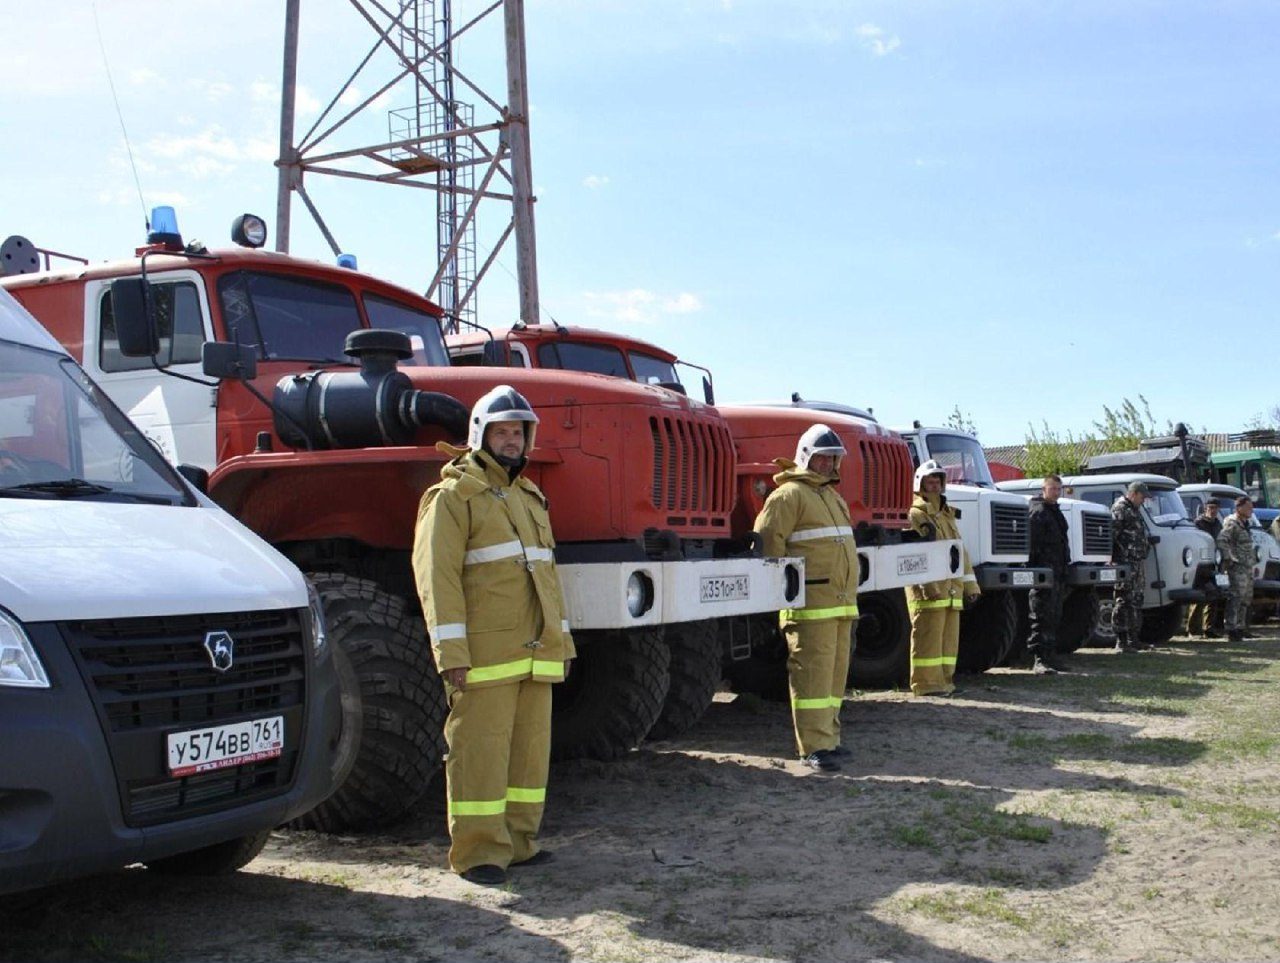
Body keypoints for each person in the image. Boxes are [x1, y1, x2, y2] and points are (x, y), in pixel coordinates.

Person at [412, 385, 575, 886]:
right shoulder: (452, 497)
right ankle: (479, 853)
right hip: (483, 655)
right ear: (480, 435)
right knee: (479, 752)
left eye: (518, 432)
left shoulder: (530, 496)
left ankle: (519, 843)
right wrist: (451, 653)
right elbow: (435, 580)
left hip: (536, 653)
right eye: (501, 431)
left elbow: (547, 576)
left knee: (528, 755)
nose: (511, 440)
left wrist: (562, 643)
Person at [753, 424, 860, 773]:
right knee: (812, 678)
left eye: (832, 458)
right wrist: (777, 598)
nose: (828, 463)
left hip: (840, 604)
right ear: (806, 458)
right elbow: (769, 546)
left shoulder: (832, 496)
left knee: (832, 679)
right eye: (822, 457)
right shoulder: (787, 496)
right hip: (810, 607)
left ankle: (829, 740)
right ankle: (813, 747)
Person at [904, 460, 980, 696]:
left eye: (938, 481)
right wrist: (928, 586)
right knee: (927, 640)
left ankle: (945, 682)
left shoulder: (946, 514)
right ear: (920, 483)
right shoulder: (915, 515)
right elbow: (913, 556)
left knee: (947, 643)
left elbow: (960, 552)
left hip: (951, 590)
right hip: (929, 591)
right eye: (930, 481)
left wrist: (971, 586)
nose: (935, 485)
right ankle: (926, 685)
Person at [1026, 474, 1070, 674]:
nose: (1056, 492)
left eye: (1059, 489)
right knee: (1041, 615)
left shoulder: (1054, 511)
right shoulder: (1038, 511)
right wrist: (1038, 570)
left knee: (1054, 616)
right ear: (1044, 489)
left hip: (1057, 572)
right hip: (1044, 573)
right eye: (1053, 489)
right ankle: (1039, 659)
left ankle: (1050, 656)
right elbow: (1032, 545)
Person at [1110, 481, 1153, 652]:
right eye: (1142, 497)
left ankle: (1133, 639)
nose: (1143, 501)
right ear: (1134, 494)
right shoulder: (1120, 509)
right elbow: (1112, 535)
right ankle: (1121, 640)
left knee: (1136, 600)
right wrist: (1112, 559)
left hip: (1136, 562)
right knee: (1123, 600)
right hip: (1124, 563)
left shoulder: (1135, 510)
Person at [1218, 496, 1256, 642]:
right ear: (1239, 508)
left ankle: (1241, 627)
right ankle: (1231, 628)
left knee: (1246, 598)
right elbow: (1222, 540)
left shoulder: (1245, 523)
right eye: (1248, 507)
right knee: (1236, 597)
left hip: (1247, 566)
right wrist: (1229, 558)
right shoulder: (1232, 523)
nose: (1251, 510)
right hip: (1237, 567)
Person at [1185, 498, 1223, 639]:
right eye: (1210, 507)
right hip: (1200, 565)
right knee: (1198, 598)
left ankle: (1209, 628)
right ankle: (1193, 630)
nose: (1213, 511)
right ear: (1205, 508)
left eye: (1215, 508)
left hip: (1214, 563)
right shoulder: (1198, 523)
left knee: (1213, 596)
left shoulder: (1218, 524)